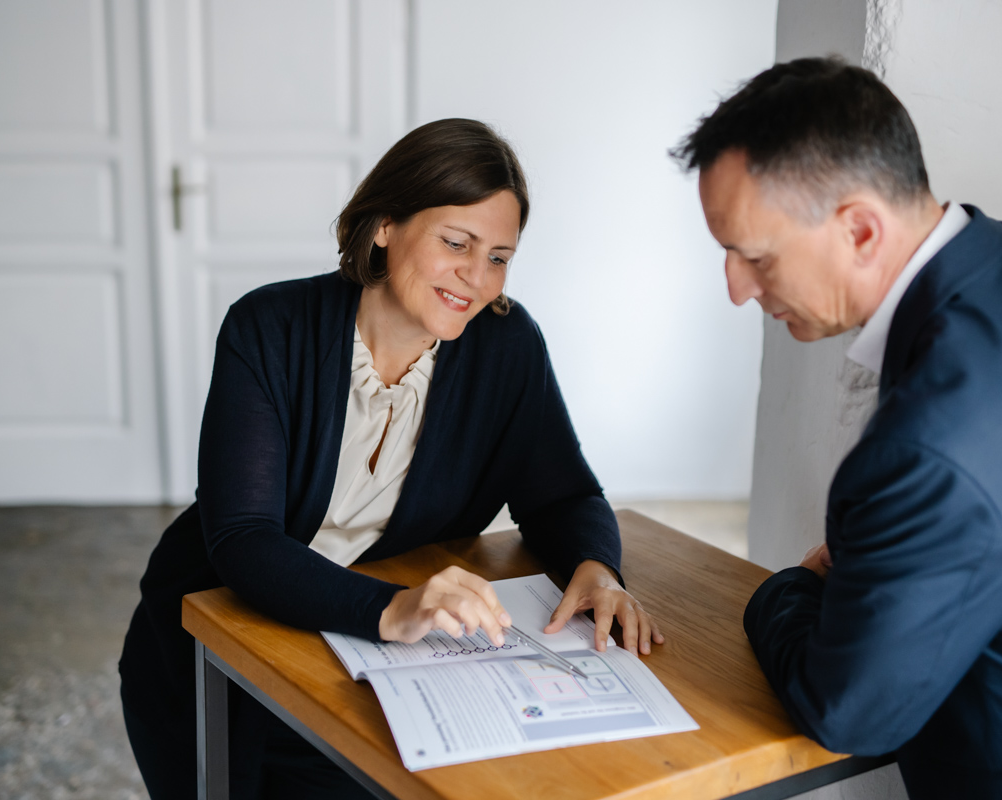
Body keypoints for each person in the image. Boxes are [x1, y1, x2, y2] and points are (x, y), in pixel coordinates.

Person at [119, 118, 663, 800]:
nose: (477, 276)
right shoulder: (268, 328)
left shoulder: (507, 344)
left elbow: (563, 495)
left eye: (499, 256)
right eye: (456, 243)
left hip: (365, 668)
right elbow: (243, 537)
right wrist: (393, 609)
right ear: (383, 225)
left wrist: (594, 567)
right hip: (211, 650)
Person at [672, 57, 1002, 798]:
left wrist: (783, 590)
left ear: (858, 229)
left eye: (753, 255)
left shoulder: (925, 452)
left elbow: (851, 711)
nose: (734, 288)